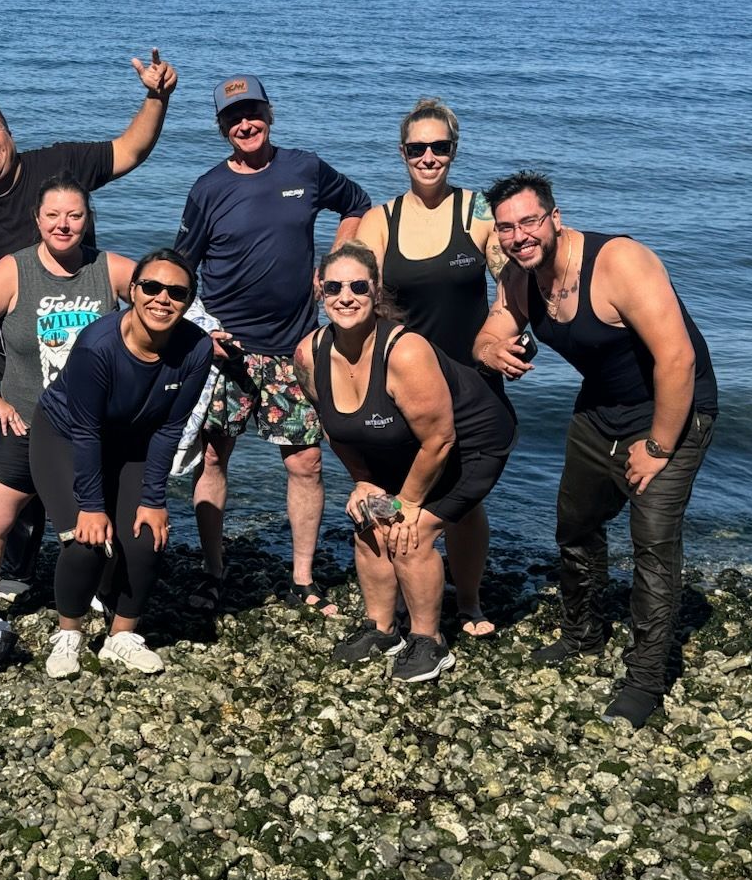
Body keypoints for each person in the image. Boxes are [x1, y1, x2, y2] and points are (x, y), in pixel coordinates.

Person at [474, 171, 719, 728]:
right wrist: (491, 352)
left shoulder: (620, 263)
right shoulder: (519, 277)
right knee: (575, 524)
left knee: (652, 545)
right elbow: (488, 332)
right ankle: (583, 634)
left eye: (530, 222)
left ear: (555, 219)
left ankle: (645, 681)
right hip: (600, 408)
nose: (519, 236)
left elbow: (676, 359)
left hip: (675, 409)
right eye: (507, 228)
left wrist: (657, 447)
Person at [0, 50, 178, 601]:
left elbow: (130, 150)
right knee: (13, 475)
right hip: (13, 364)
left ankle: (93, 564)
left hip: (85, 358)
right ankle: (19, 571)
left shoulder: (56, 167)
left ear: (8, 133)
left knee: (94, 461)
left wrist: (156, 97)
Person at [175, 75, 371, 615]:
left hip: (295, 348)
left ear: (270, 112)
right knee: (212, 460)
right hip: (227, 349)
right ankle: (213, 571)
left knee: (306, 462)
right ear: (221, 127)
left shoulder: (304, 167)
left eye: (252, 111)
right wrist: (198, 333)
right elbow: (180, 267)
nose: (245, 123)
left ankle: (302, 577)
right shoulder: (207, 188)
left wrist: (333, 268)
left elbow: (356, 201)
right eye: (233, 117)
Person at [294, 243, 517, 683]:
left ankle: (429, 641)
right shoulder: (308, 355)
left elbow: (440, 439)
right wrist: (364, 483)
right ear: (320, 292)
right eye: (334, 287)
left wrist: (410, 505)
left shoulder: (405, 352)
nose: (346, 296)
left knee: (410, 534)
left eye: (358, 286)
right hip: (408, 444)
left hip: (472, 443)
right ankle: (382, 628)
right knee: (368, 520)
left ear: (375, 291)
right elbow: (338, 430)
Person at [0, 177, 135, 669]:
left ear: (87, 219)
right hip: (27, 424)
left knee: (98, 525)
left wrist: (205, 333)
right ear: (37, 220)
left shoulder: (109, 269)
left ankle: (103, 599)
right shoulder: (14, 271)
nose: (63, 224)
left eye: (74, 215)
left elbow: (168, 297)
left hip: (94, 429)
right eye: (53, 215)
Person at [354, 97, 511, 639]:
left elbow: (510, 284)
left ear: (453, 150)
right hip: (402, 384)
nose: (428, 157)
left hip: (470, 381)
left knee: (462, 502)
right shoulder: (381, 220)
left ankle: (466, 601)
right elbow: (351, 287)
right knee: (397, 495)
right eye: (417, 148)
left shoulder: (478, 212)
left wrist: (501, 334)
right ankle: (393, 610)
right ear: (402, 153)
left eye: (438, 147)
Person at [32, 249, 214, 677]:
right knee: (86, 541)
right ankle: (69, 632)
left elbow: (170, 430)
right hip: (64, 435)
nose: (162, 299)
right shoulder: (98, 346)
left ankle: (122, 636)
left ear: (189, 301)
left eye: (176, 292)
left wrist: (154, 498)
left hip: (134, 444)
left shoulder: (198, 349)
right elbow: (86, 431)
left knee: (147, 536)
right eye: (151, 287)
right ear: (132, 291)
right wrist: (92, 507)